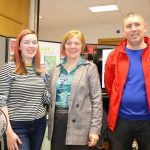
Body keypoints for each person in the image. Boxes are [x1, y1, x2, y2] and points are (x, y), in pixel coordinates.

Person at [48, 30, 103, 150]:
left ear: (82, 46)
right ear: (64, 46)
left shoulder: (90, 68)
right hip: (57, 124)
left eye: (77, 43)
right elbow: (49, 95)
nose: (72, 46)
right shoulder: (55, 69)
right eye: (69, 43)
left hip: (82, 126)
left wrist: (95, 130)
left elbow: (97, 101)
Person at [104, 12, 150, 150]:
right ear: (124, 31)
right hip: (120, 120)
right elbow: (110, 87)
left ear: (145, 27)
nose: (133, 29)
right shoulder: (113, 56)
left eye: (137, 24)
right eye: (129, 26)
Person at [0, 29, 50, 150]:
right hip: (16, 126)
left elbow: (45, 98)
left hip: (39, 124)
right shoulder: (8, 68)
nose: (31, 45)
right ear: (19, 46)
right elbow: (1, 101)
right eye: (26, 42)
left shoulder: (40, 71)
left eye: (34, 42)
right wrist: (9, 132)